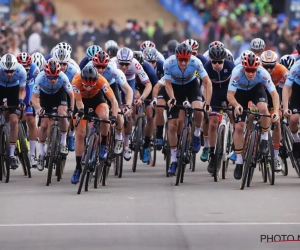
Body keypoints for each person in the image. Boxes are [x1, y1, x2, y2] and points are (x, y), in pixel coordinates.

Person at [227, 51, 279, 180]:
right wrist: (237, 105)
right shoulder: (236, 73)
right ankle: (239, 162)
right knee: (239, 127)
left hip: (256, 90)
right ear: (243, 68)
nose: (251, 73)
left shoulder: (263, 73)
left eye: (253, 70)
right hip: (240, 94)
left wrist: (277, 112)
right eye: (248, 70)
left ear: (257, 68)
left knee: (264, 109)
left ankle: (265, 139)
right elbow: (230, 95)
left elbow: (274, 94)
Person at [164, 43, 212, 175]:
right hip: (174, 86)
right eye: (181, 60)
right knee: (172, 126)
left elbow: (207, 82)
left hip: (191, 85)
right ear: (176, 57)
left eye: (186, 60)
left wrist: (207, 102)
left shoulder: (196, 62)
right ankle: (174, 160)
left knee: (198, 109)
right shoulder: (168, 63)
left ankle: (196, 133)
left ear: (190, 57)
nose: (184, 63)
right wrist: (172, 98)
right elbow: (167, 83)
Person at [70, 65, 118, 184]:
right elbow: (79, 101)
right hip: (82, 103)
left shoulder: (102, 81)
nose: (88, 88)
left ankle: (103, 145)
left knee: (105, 117)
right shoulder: (76, 81)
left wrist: (114, 117)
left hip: (97, 99)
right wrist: (80, 110)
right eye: (86, 85)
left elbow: (113, 101)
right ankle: (78, 168)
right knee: (80, 134)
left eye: (92, 85)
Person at [31, 60, 75, 171]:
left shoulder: (63, 77)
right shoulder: (40, 78)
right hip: (45, 97)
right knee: (44, 125)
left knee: (63, 115)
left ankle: (63, 142)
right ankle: (41, 153)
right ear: (45, 74)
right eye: (50, 78)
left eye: (55, 77)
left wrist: (71, 110)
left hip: (59, 95)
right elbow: (34, 98)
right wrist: (39, 109)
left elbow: (71, 95)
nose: (53, 80)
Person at [0, 54, 27, 170]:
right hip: (1, 88)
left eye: (12, 71)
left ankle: (11, 154)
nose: (10, 74)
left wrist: (21, 100)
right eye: (7, 71)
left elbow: (22, 90)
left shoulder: (21, 71)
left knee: (14, 120)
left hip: (14, 90)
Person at [16, 52, 40, 168]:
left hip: (28, 88)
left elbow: (35, 88)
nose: (25, 70)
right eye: (22, 68)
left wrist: (31, 102)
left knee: (31, 119)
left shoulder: (34, 70)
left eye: (27, 68)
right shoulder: (15, 70)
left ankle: (32, 155)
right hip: (16, 88)